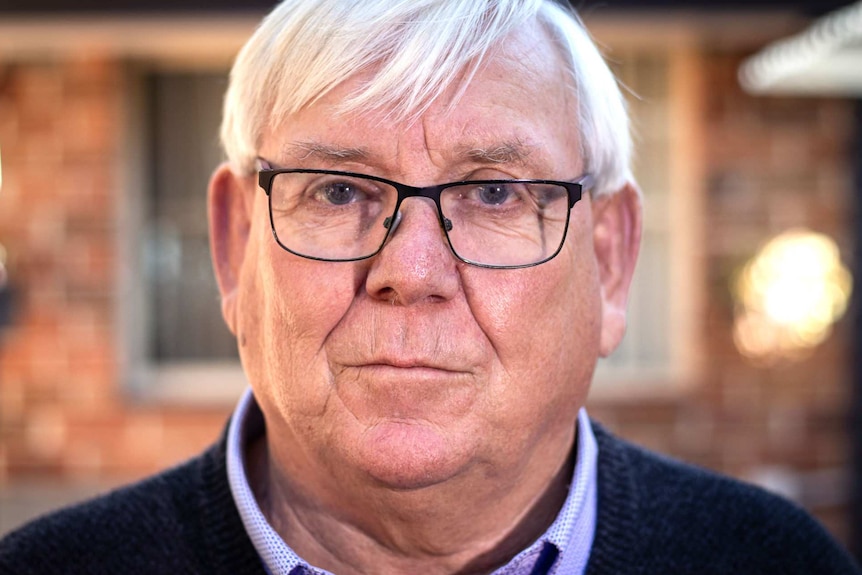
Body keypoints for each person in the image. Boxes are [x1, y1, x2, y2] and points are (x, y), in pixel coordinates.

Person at [1, 0, 860, 573]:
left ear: (610, 260)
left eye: (494, 192)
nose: (409, 273)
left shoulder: (771, 560)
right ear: (234, 245)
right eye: (337, 191)